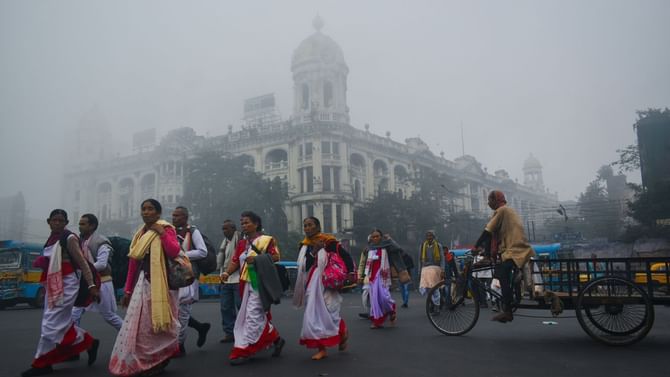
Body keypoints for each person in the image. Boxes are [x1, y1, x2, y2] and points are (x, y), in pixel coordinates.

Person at [22, 209, 100, 377]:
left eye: (60, 220)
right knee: (59, 322)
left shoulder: (69, 238)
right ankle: (89, 342)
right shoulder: (51, 239)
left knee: (49, 323)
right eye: (54, 220)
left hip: (67, 284)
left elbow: (83, 263)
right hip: (52, 282)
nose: (57, 223)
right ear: (48, 221)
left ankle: (41, 363)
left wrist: (92, 285)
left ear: (66, 222)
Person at [109, 199, 181, 376]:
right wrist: (127, 290)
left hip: (163, 285)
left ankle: (160, 359)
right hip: (144, 283)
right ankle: (146, 361)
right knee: (142, 327)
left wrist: (162, 233)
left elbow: (174, 251)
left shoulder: (166, 228)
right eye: (144, 209)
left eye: (150, 209)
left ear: (158, 213)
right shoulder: (140, 234)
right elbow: (133, 263)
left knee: (161, 325)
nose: (146, 212)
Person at [221, 211, 285, 365]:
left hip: (259, 282)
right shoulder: (242, 244)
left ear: (256, 224)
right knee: (252, 314)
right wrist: (226, 273)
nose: (244, 225)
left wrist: (257, 258)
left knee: (252, 314)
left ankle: (245, 350)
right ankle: (276, 339)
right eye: (242, 223)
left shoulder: (266, 240)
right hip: (246, 282)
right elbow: (235, 261)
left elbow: (276, 257)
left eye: (247, 222)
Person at [293, 217, 353, 360]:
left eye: (310, 225)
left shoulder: (329, 242)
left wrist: (350, 273)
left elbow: (346, 257)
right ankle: (322, 348)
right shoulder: (304, 246)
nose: (307, 228)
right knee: (314, 315)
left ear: (318, 227)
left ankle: (341, 330)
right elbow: (304, 266)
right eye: (305, 225)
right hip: (312, 283)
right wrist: (314, 251)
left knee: (330, 311)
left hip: (328, 281)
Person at [472, 190, 535, 323]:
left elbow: (487, 232)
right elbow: (492, 232)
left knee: (501, 275)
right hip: (515, 250)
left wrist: (476, 246)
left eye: (490, 200)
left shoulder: (502, 211)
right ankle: (509, 300)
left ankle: (507, 311)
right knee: (502, 274)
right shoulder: (507, 211)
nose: (488, 203)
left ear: (496, 200)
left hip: (514, 251)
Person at [71, 213, 124, 330]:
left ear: (92, 226)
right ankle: (74, 340)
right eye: (79, 224)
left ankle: (129, 336)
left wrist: (84, 270)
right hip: (87, 283)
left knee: (109, 316)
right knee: (75, 313)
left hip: (103, 282)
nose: (80, 226)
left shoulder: (101, 242)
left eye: (83, 224)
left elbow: (102, 264)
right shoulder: (81, 241)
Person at [172, 206, 211, 356]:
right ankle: (200, 328)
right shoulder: (170, 231)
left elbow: (202, 252)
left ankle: (179, 346)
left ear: (185, 217)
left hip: (188, 276)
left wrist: (180, 255)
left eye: (178, 216)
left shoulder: (193, 231)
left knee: (182, 312)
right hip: (173, 277)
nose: (174, 218)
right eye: (173, 215)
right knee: (174, 312)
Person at [358, 229, 400, 329]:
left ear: (381, 237)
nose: (376, 238)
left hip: (383, 276)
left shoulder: (386, 246)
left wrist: (390, 240)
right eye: (374, 236)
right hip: (371, 276)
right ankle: (377, 321)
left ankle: (391, 309)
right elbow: (363, 263)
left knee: (384, 297)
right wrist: (360, 276)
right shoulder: (369, 248)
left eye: (377, 236)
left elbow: (398, 249)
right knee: (375, 300)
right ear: (371, 238)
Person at [218, 219, 242, 343]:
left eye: (227, 228)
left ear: (234, 229)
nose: (224, 231)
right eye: (223, 229)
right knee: (225, 307)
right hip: (226, 279)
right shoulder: (225, 242)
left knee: (241, 306)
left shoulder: (240, 239)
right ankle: (229, 332)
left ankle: (245, 331)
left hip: (238, 278)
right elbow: (222, 261)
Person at [418, 231, 443, 307]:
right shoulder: (422, 246)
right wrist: (419, 271)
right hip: (425, 269)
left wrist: (443, 270)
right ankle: (432, 304)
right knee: (427, 289)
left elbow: (442, 259)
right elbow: (419, 260)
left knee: (435, 289)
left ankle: (437, 306)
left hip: (435, 269)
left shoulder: (438, 245)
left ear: (433, 237)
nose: (429, 237)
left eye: (431, 236)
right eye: (428, 236)